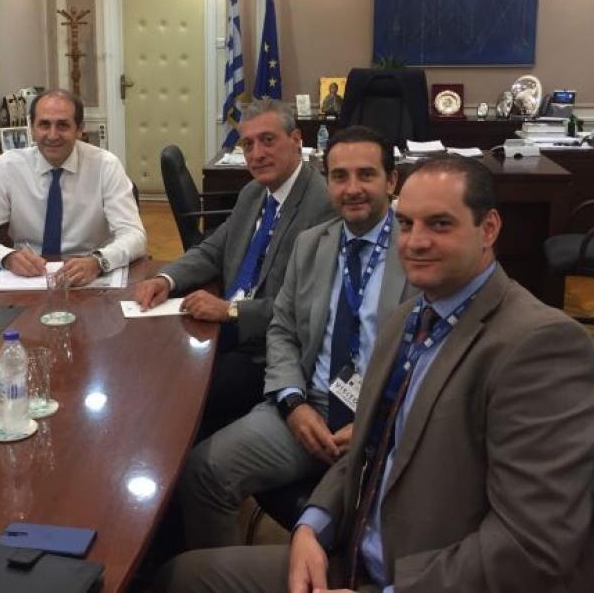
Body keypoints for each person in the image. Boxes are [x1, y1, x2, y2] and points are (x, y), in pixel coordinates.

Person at [157, 155, 594, 592]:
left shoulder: (542, 346)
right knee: (180, 577)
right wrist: (312, 525)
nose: (415, 242)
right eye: (406, 224)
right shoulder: (406, 320)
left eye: (440, 224)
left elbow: (533, 548)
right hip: (355, 555)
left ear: (489, 228)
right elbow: (371, 448)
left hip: (425, 577)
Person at [178, 125, 416, 550]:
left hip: (387, 421)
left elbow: (436, 357)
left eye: (366, 174)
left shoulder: (418, 251)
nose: (352, 188)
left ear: (391, 181)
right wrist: (292, 402)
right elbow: (282, 330)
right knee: (203, 472)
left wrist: (378, 420)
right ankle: (224, 574)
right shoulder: (312, 244)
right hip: (309, 408)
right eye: (339, 176)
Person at [134, 98, 335, 429]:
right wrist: (165, 279)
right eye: (248, 144)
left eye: (267, 140)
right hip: (223, 325)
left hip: (266, 348)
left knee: (178, 393)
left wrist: (229, 310)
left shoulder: (322, 204)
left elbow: (306, 309)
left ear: (296, 140)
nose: (256, 154)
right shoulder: (254, 193)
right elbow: (212, 250)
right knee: (149, 356)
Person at [0, 89, 146, 287]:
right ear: (32, 128)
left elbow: (134, 235)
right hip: (28, 279)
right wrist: (7, 257)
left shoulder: (105, 166)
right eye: (44, 125)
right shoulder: (7, 167)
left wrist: (99, 261)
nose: (52, 135)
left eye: (62, 125)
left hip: (89, 279)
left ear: (79, 129)